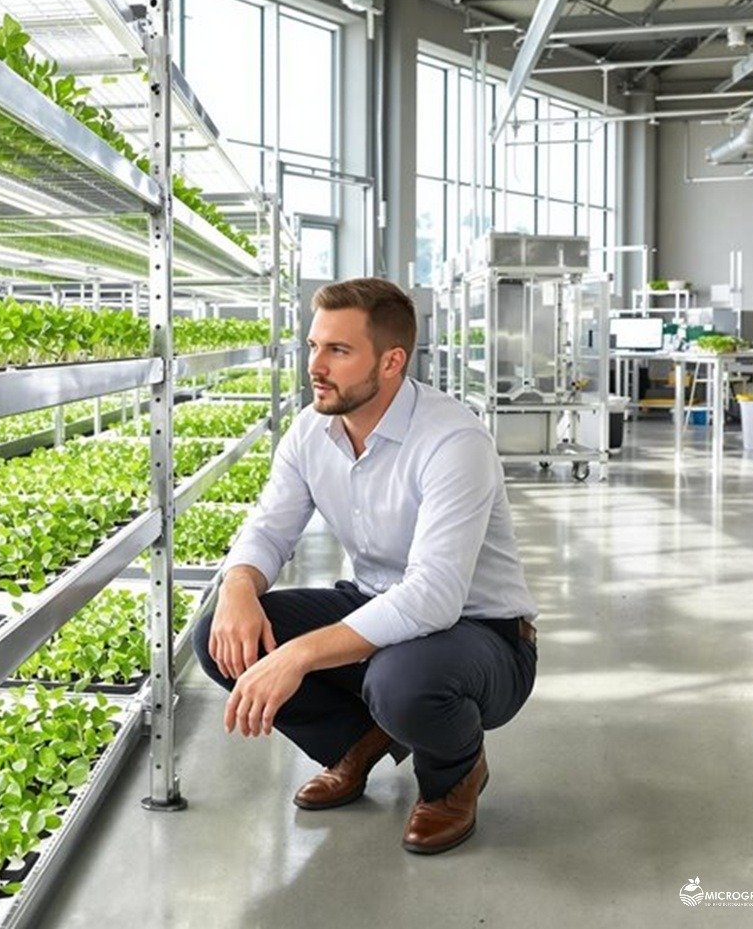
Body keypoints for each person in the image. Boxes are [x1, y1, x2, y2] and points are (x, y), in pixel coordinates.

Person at [192, 276, 537, 855]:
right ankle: (357, 742)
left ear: (391, 362)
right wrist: (237, 587)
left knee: (401, 681)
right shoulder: (311, 431)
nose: (315, 366)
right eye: (313, 346)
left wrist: (297, 657)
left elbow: (434, 596)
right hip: (376, 602)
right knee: (221, 636)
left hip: (483, 635)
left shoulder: (453, 440)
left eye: (338, 350)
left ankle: (455, 776)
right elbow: (269, 528)